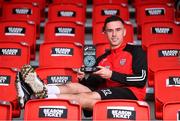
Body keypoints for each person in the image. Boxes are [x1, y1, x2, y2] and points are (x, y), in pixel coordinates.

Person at [16, 16, 147, 110]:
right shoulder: (102, 58)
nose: (114, 34)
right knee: (74, 86)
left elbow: (141, 79)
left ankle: (36, 98)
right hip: (107, 91)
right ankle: (43, 90)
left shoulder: (135, 51)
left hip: (131, 92)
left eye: (118, 30)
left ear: (124, 32)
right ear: (105, 33)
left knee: (84, 96)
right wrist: (84, 78)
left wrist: (111, 74)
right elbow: (92, 85)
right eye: (110, 31)